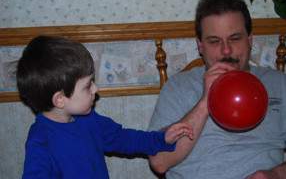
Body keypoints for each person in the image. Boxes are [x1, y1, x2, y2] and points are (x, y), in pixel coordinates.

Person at [148, 0, 286, 179]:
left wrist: (277, 174)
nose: (226, 50)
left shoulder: (280, 84)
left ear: (250, 40)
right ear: (200, 46)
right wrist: (205, 101)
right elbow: (159, 162)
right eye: (214, 41)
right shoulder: (178, 87)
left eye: (235, 38)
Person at [17, 35, 194, 179]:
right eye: (88, 86)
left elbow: (125, 139)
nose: (96, 89)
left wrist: (162, 139)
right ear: (60, 99)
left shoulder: (89, 120)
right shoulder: (41, 141)